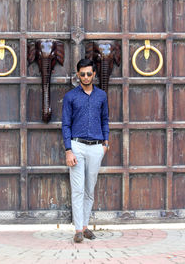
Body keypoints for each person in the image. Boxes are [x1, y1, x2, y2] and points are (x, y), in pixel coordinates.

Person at [62, 58, 109, 243]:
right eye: (82, 74)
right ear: (77, 75)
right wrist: (68, 150)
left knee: (89, 189)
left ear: (94, 74)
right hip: (77, 146)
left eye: (89, 73)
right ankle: (77, 230)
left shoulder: (102, 96)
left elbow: (105, 119)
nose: (86, 77)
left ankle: (84, 226)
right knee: (78, 189)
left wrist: (105, 143)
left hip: (97, 147)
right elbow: (66, 124)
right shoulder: (70, 97)